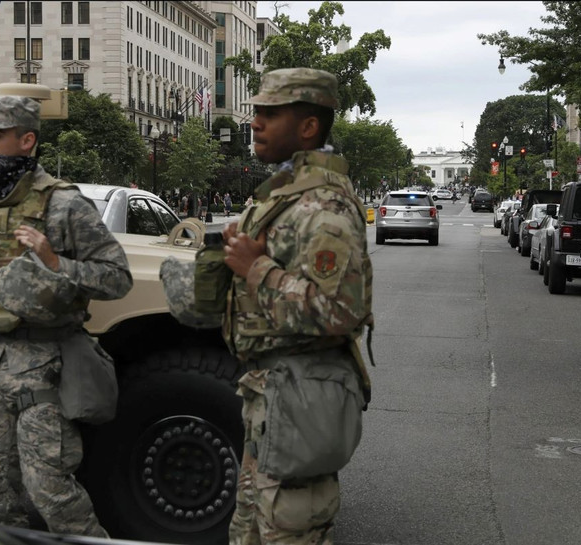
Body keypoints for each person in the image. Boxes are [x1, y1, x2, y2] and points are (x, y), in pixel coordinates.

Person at [0, 95, 132, 537]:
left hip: (45, 360)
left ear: (27, 140)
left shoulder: (64, 205)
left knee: (50, 489)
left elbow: (116, 278)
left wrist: (54, 262)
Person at [221, 68, 373, 544]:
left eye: (269, 113)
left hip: (300, 400)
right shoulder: (288, 198)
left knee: (289, 529)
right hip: (272, 398)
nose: (254, 122)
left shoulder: (323, 207)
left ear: (308, 127)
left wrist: (255, 268)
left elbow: (341, 311)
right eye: (256, 112)